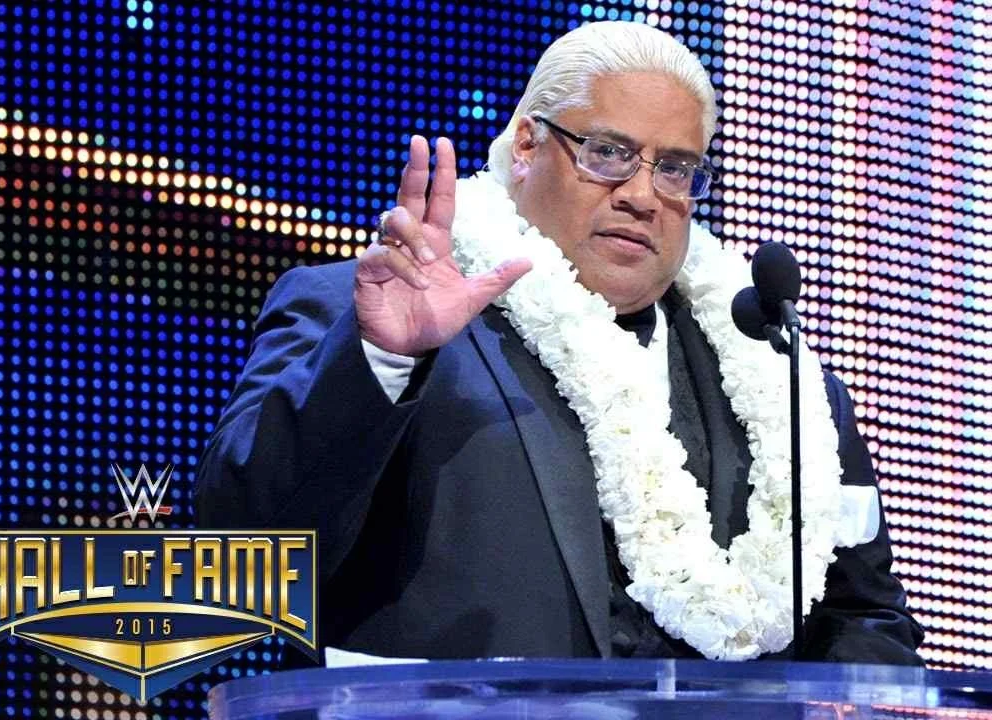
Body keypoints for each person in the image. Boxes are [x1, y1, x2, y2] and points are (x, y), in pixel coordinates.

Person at [194, 21, 923, 664]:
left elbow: (862, 619)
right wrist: (385, 360)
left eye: (674, 168)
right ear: (525, 146)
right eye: (608, 152)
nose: (641, 194)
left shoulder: (779, 374)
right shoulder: (367, 316)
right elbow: (245, 553)